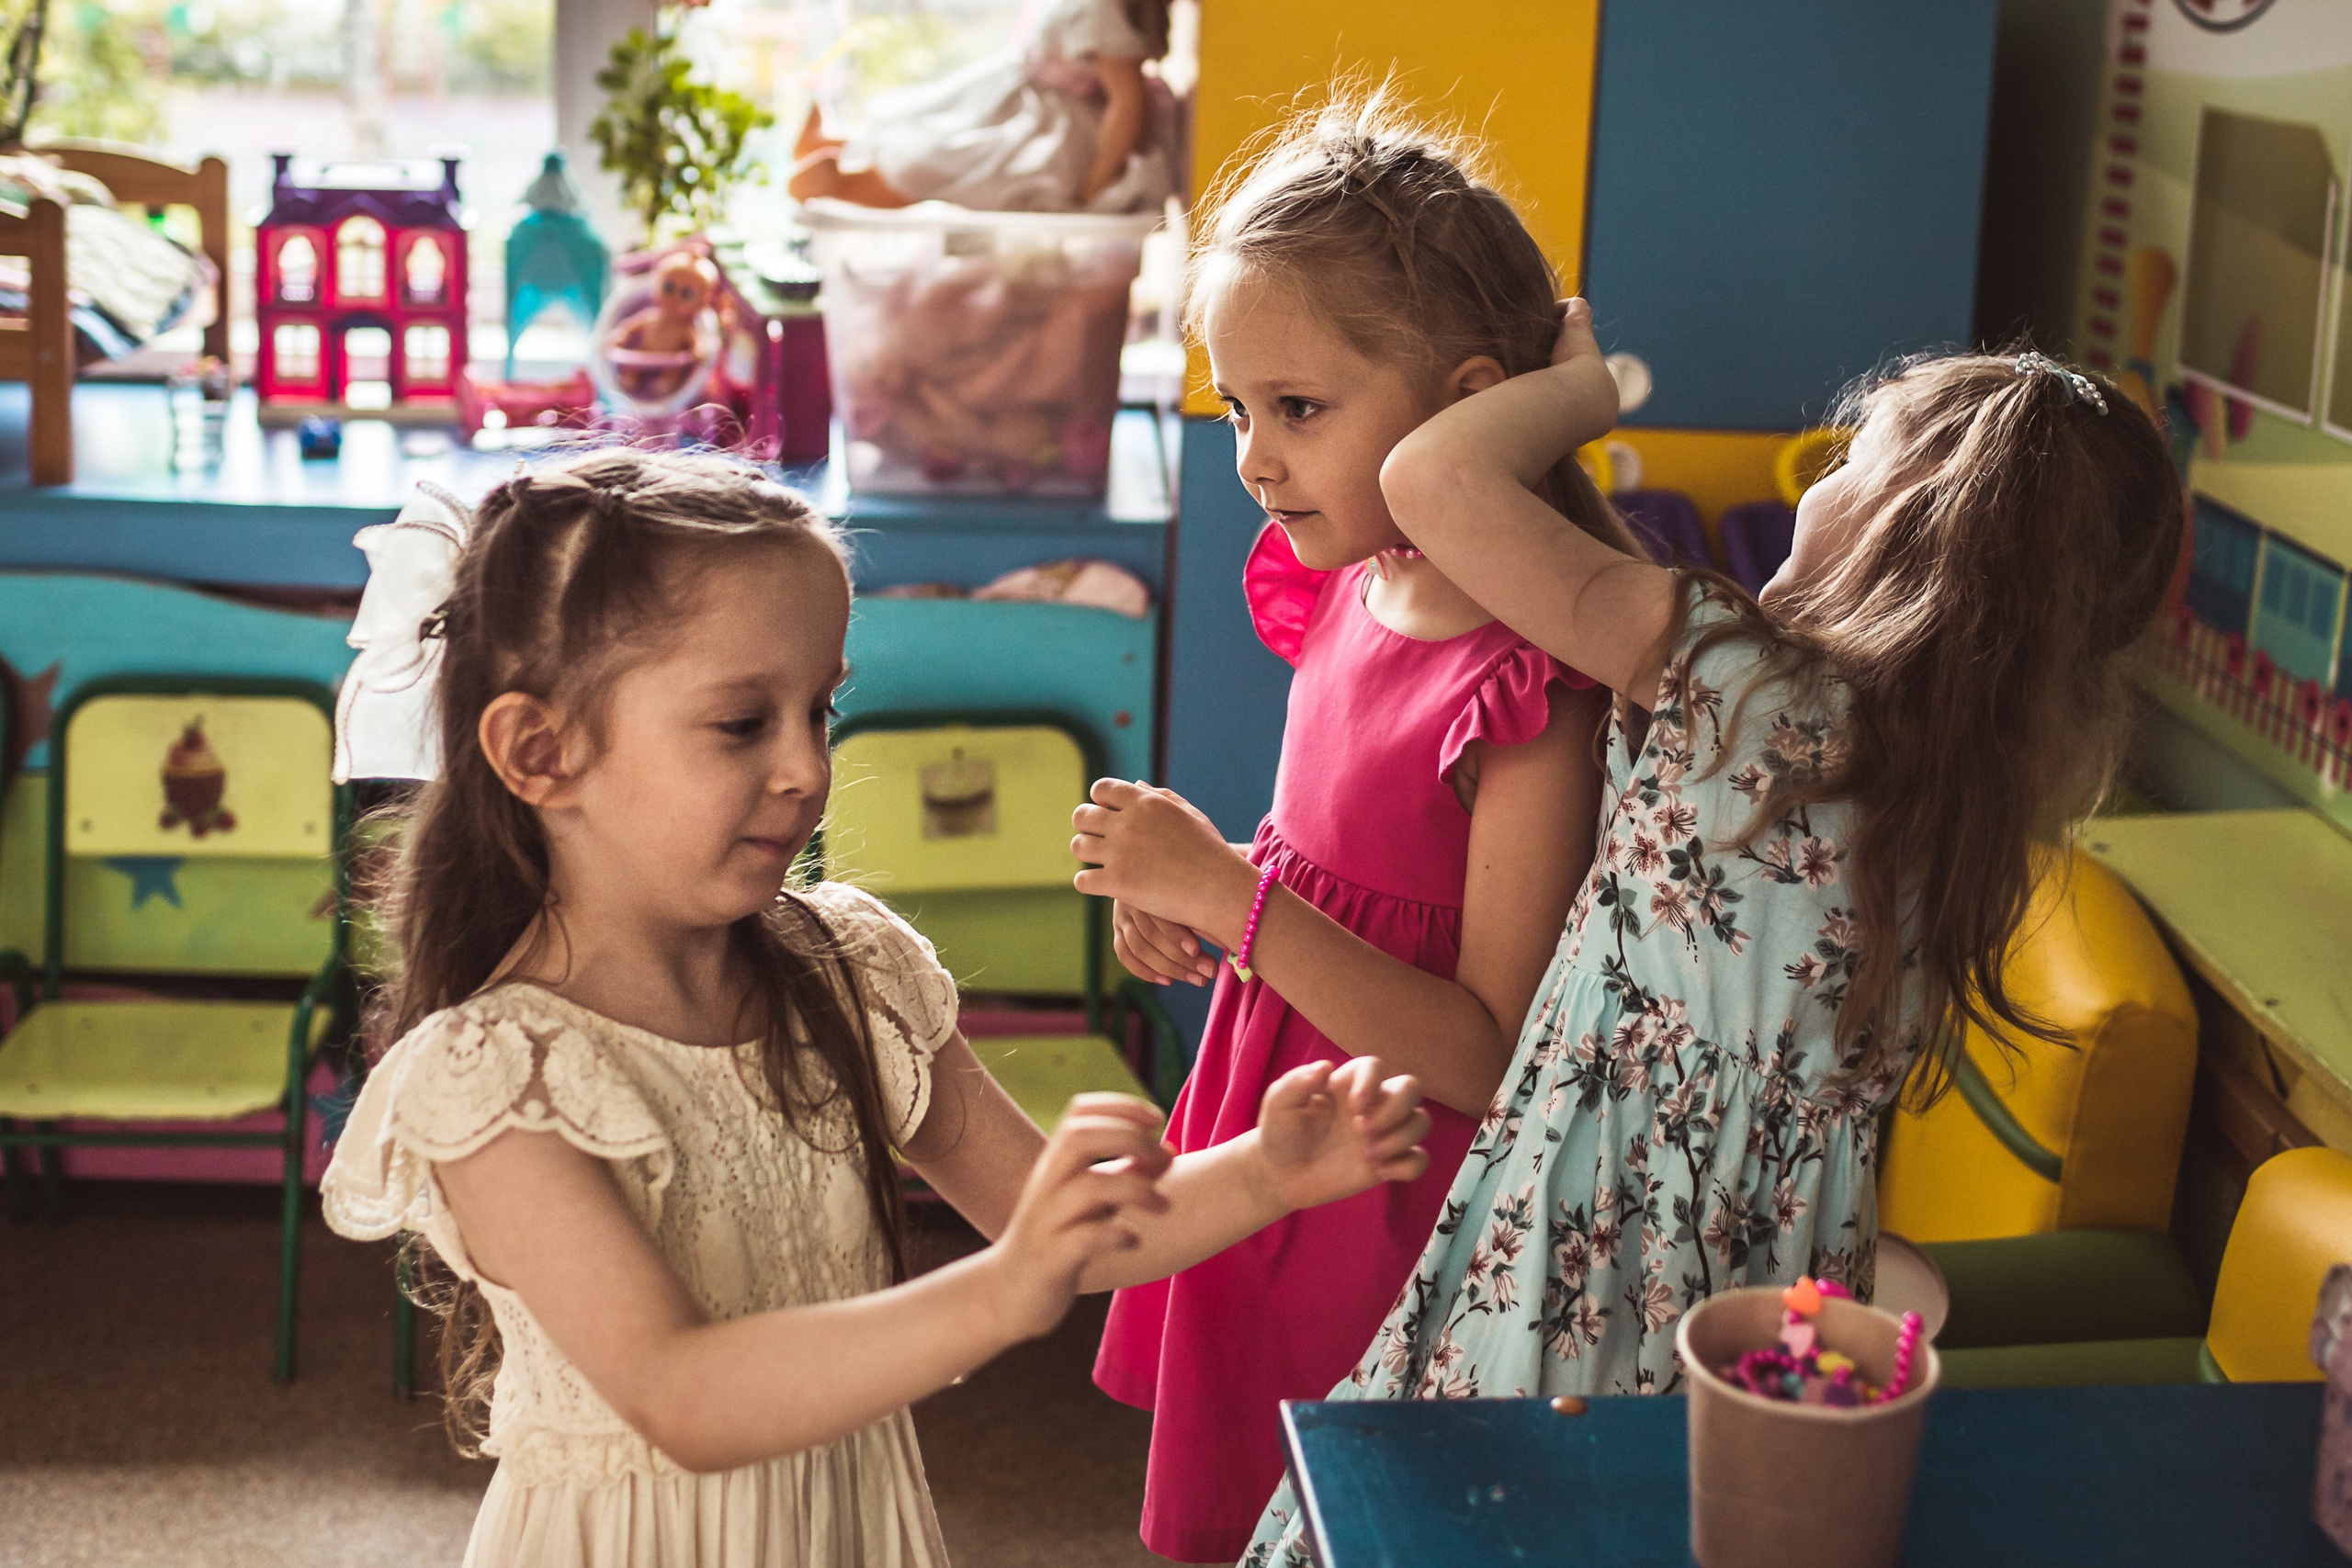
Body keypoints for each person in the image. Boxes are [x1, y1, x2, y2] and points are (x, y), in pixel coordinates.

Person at [316, 449, 1434, 1568]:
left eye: (820, 708)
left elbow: (1074, 1236)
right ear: (540, 751)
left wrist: (1269, 1171)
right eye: (742, 724)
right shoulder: (499, 1074)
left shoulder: (847, 969)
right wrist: (1003, 1290)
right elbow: (681, 1396)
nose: (807, 767)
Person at [1242, 294, 2184, 1568]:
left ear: (1905, 523)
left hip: (1588, 1236)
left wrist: (1588, 389)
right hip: (1775, 1288)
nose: (1829, 465)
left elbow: (1429, 478)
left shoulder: (1735, 680)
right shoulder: (1956, 794)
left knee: (1480, 1515)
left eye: (1857, 452)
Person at [1070, 96, 1637, 1564]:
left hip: (1387, 1187)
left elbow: (1481, 1053)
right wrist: (1209, 895)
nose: (1255, 457)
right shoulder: (1343, 583)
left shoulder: (1528, 684)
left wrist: (1233, 895)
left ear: (1465, 405)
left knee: (1353, 1514)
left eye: (1299, 409)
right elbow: (1322, 854)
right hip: (1272, 1122)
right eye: (1237, 407)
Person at [787, 0, 1176, 214]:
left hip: (1046, 127)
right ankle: (838, 145)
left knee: (934, 162)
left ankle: (841, 185)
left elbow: (1127, 101)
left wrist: (1095, 183)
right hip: (1012, 94)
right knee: (921, 122)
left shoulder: (1101, 10)